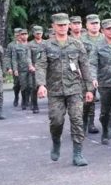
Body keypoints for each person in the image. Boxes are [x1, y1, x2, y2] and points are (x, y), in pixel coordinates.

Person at [35, 13, 94, 166]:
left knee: (77, 120)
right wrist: (41, 84)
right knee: (56, 121)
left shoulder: (77, 44)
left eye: (65, 25)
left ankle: (78, 154)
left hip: (75, 89)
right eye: (59, 25)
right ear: (53, 26)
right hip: (55, 91)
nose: (62, 27)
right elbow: (41, 66)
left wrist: (89, 89)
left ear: (68, 26)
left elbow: (85, 67)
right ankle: (56, 141)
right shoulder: (46, 46)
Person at [89, 19, 111, 144]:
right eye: (108, 29)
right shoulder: (97, 45)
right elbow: (92, 63)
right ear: (102, 30)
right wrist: (93, 78)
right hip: (104, 82)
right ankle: (105, 129)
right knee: (105, 111)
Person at [27, 26, 45, 113]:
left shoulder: (46, 43)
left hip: (45, 68)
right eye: (37, 33)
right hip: (35, 68)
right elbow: (28, 57)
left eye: (40, 33)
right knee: (34, 88)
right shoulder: (30, 44)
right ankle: (35, 105)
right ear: (34, 34)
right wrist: (30, 66)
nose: (39, 34)